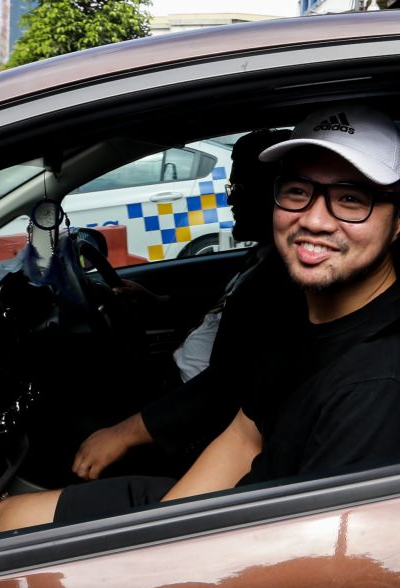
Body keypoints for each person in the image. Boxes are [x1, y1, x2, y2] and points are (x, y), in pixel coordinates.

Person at [0, 104, 400, 534]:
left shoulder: (384, 381)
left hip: (255, 542)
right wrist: (157, 533)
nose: (315, 220)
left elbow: (310, 558)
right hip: (232, 502)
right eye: (298, 191)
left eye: (352, 199)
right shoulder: (302, 312)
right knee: (5, 516)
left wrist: (140, 571)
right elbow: (244, 437)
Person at [69, 129, 298, 482]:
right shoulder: (264, 257)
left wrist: (126, 433)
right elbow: (223, 309)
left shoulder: (284, 280)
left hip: (194, 421)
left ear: (272, 194)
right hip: (177, 391)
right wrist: (158, 303)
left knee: (70, 431)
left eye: (238, 190)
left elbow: (227, 385)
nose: (230, 201)